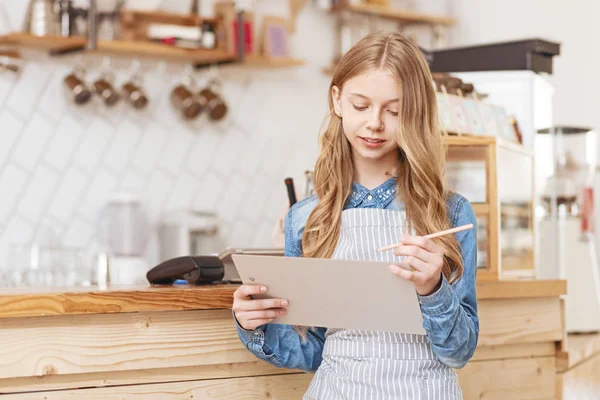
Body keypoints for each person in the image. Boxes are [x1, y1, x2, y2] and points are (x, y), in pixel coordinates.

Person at [232, 31, 479, 399]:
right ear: (337, 99)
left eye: (393, 111)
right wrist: (254, 324)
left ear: (415, 112)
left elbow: (459, 352)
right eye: (361, 106)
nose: (375, 123)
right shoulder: (307, 219)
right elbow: (314, 348)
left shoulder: (448, 212)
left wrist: (433, 290)